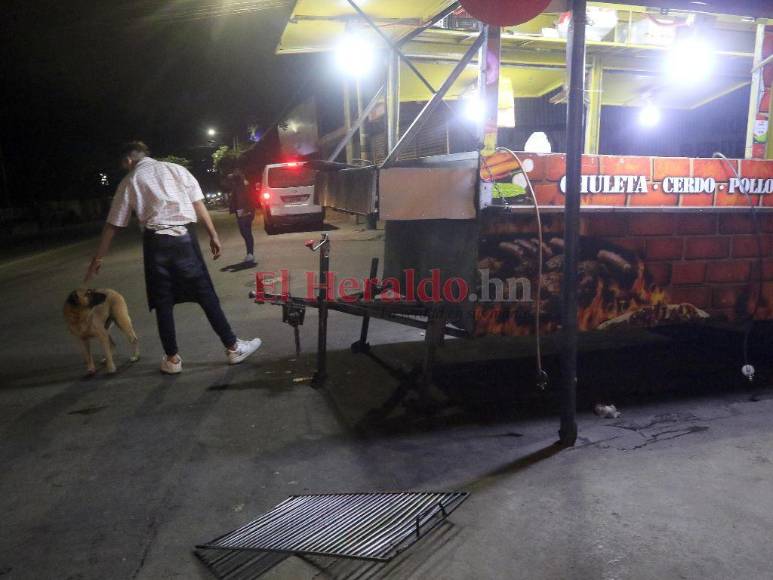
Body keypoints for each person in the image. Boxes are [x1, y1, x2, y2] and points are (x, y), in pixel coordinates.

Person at [84, 141, 262, 374]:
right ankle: (233, 347)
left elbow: (113, 224)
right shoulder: (176, 170)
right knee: (205, 294)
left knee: (163, 302)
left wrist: (98, 259)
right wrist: (213, 235)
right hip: (183, 240)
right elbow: (198, 204)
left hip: (155, 243)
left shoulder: (130, 181)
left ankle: (172, 359)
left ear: (128, 161)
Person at [227, 164, 256, 263]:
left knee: (245, 232)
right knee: (246, 232)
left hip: (244, 209)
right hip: (243, 209)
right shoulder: (239, 184)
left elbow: (232, 176)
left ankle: (250, 254)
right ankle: (250, 253)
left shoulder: (242, 183)